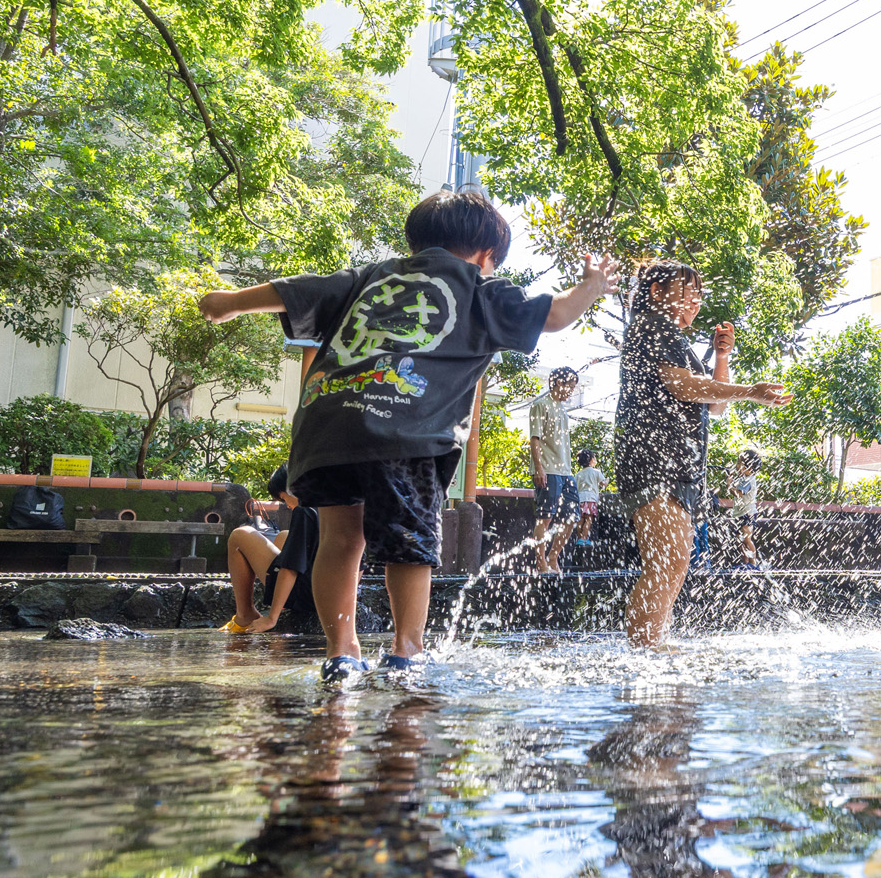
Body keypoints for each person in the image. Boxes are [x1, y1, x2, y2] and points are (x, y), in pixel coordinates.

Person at [200, 189, 620, 681]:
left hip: (328, 427)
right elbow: (555, 315)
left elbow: (296, 291)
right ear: (486, 254)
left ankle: (341, 651)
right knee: (410, 542)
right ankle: (406, 649)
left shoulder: (370, 276)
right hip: (406, 430)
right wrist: (592, 286)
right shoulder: (479, 287)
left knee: (339, 540)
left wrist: (229, 303)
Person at [615, 260, 789, 648]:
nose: (696, 301)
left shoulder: (671, 339)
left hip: (674, 467)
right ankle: (645, 650)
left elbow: (715, 406)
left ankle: (652, 644)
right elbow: (684, 386)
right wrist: (750, 391)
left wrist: (721, 358)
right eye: (688, 291)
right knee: (668, 560)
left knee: (673, 561)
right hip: (655, 463)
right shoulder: (653, 327)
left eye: (699, 294)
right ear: (657, 292)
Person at [220, 464, 318, 634]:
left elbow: (290, 568)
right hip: (329, 593)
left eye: (283, 499)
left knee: (240, 535)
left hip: (305, 596)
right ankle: (283, 606)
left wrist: (272, 618)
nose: (287, 505)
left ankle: (245, 614)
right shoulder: (334, 503)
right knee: (283, 536)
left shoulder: (304, 509)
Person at [527, 367, 580, 572]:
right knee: (545, 517)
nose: (571, 391)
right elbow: (535, 439)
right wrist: (538, 468)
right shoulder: (540, 405)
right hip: (547, 469)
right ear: (559, 383)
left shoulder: (563, 410)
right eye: (570, 386)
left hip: (566, 472)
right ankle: (540, 562)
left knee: (571, 518)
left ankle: (553, 557)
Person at [724, 449, 762, 568]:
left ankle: (753, 564)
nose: (737, 465)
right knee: (740, 540)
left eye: (739, 463)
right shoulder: (743, 478)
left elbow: (738, 493)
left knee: (746, 539)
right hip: (740, 514)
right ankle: (745, 563)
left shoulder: (748, 480)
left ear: (748, 467)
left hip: (748, 514)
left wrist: (729, 485)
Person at [573, 449, 607, 546]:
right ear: (591, 459)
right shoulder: (595, 472)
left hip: (580, 499)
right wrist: (607, 480)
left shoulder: (578, 474)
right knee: (588, 519)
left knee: (580, 520)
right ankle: (584, 538)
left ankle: (579, 539)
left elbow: (575, 487)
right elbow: (603, 484)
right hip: (591, 499)